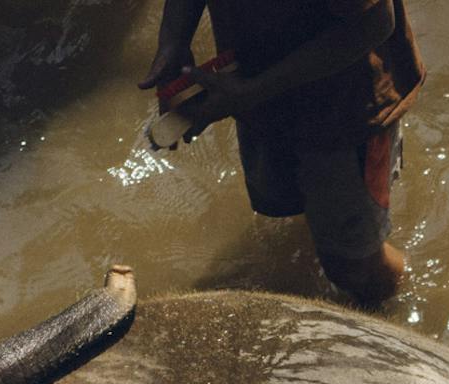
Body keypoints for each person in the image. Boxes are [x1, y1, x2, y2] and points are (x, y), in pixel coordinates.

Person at [140, 0, 423, 303]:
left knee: (356, 269)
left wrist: (254, 91)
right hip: (256, 88)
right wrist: (173, 41)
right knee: (288, 207)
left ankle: (404, 307)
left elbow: (376, 22)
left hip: (342, 113)